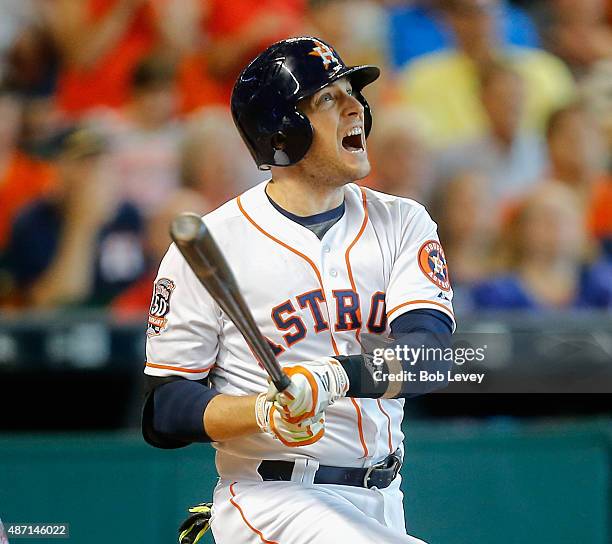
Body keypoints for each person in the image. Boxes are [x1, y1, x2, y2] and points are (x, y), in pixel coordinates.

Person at [143, 37, 455, 544]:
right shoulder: (217, 242)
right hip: (274, 500)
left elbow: (434, 357)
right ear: (282, 130)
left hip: (383, 498)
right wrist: (262, 411)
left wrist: (333, 379)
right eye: (328, 98)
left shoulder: (403, 222)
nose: (356, 105)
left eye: (352, 92)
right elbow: (166, 408)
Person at [397, 0, 575, 148]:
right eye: (467, 14)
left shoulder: (547, 71)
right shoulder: (420, 78)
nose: (480, 22)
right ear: (448, 20)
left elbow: (568, 135)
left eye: (488, 12)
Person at [5, 127, 145, 308]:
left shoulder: (128, 216)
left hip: (122, 330)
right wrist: (81, 224)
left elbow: (136, 291)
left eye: (102, 166)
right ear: (59, 172)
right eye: (84, 165)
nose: (95, 177)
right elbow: (54, 303)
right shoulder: (33, 220)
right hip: (61, 332)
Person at [471, 183, 612, 310]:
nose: (557, 226)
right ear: (521, 229)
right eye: (544, 218)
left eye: (566, 218)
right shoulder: (496, 292)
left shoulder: (602, 286)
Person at [435, 60, 547, 203]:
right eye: (502, 97)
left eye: (516, 97)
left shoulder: (543, 151)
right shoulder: (453, 159)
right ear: (482, 100)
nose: (511, 105)